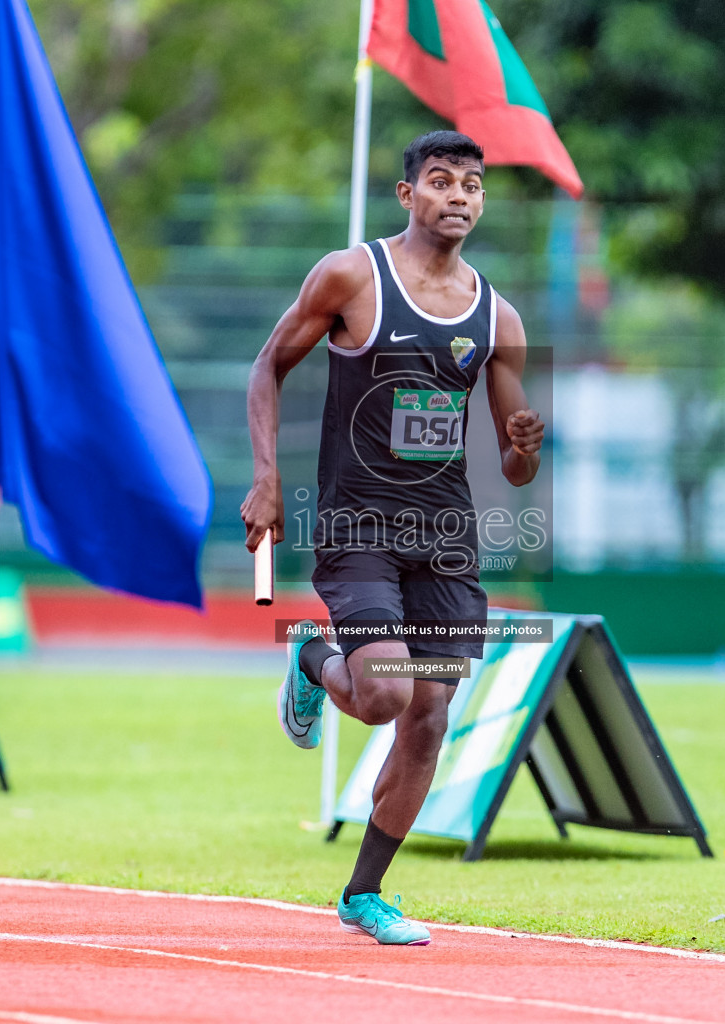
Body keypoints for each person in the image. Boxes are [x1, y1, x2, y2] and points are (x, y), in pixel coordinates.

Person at [242, 131, 544, 945]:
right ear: (408, 195)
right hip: (358, 526)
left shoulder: (497, 317)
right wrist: (267, 478)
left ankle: (364, 894)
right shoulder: (351, 277)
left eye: (473, 186)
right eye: (441, 181)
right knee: (383, 694)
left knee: (432, 713)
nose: (459, 196)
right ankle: (313, 657)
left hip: (445, 534)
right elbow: (268, 365)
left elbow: (513, 471)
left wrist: (523, 448)